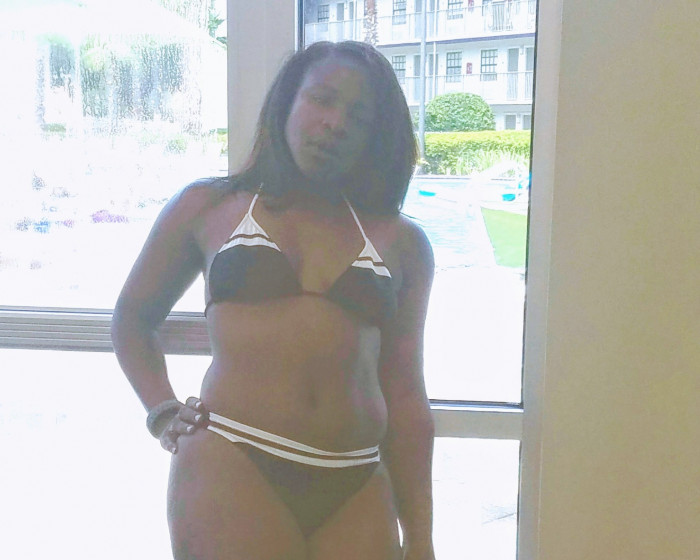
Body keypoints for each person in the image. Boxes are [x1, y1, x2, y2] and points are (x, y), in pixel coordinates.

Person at [111, 40, 435, 560]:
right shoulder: (209, 206)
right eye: (322, 99)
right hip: (232, 459)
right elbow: (133, 319)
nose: (335, 123)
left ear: (375, 135)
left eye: (358, 116)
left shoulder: (403, 242)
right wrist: (162, 411)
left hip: (357, 477)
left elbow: (406, 396)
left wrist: (421, 539)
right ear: (287, 102)